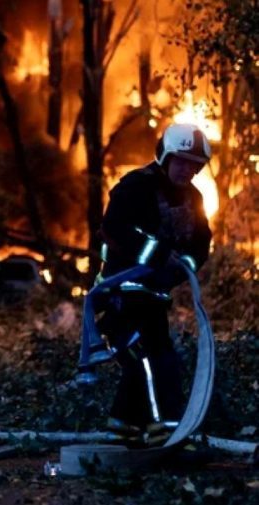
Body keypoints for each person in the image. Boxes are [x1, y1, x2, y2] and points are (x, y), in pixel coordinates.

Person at [96, 123, 212, 447]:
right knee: (147, 360)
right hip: (120, 294)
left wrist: (181, 268)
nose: (187, 169)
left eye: (193, 164)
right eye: (181, 161)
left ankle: (123, 428)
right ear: (164, 155)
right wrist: (160, 255)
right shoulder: (135, 187)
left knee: (157, 358)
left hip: (154, 298)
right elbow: (114, 228)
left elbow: (200, 245)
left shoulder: (194, 198)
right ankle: (163, 429)